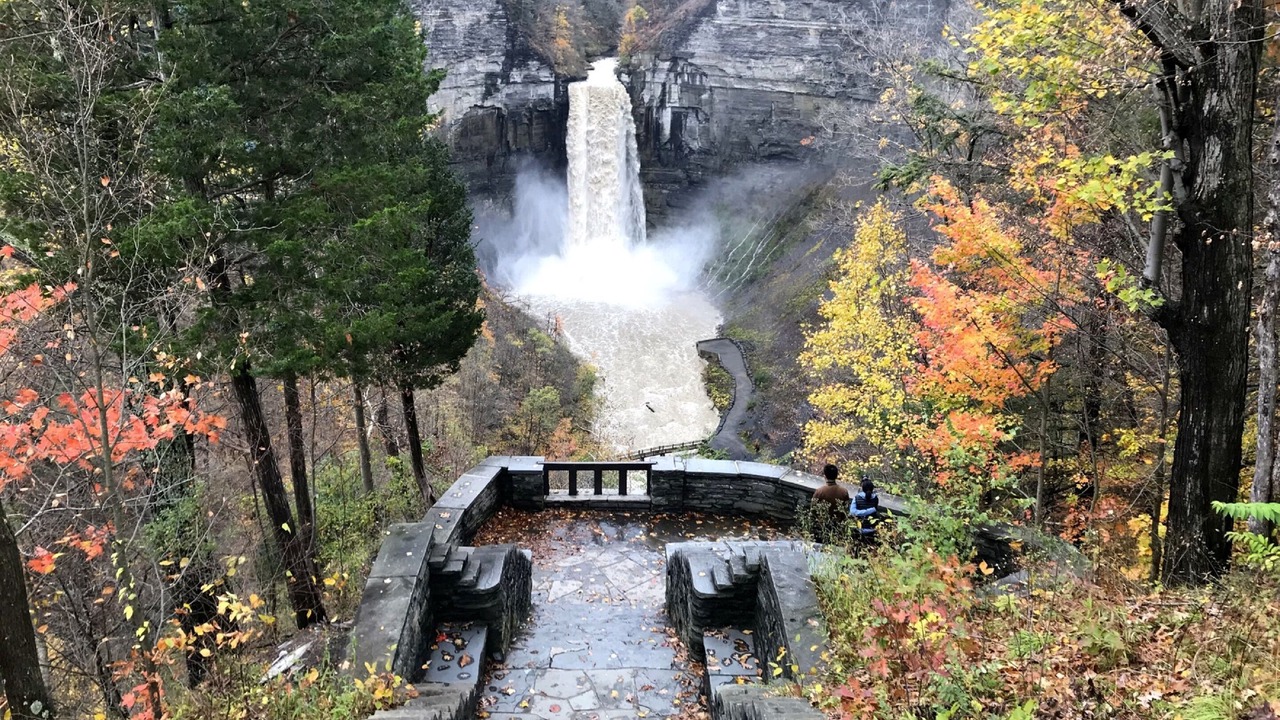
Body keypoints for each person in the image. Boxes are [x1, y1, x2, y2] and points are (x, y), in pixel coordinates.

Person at [810, 464, 850, 543]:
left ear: (825, 476)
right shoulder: (844, 492)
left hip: (821, 526)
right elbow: (845, 511)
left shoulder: (819, 492)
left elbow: (813, 510)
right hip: (837, 527)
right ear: (836, 475)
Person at [850, 476, 880, 542]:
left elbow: (852, 512)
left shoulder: (857, 498)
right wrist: (871, 510)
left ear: (862, 488)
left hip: (859, 528)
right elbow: (874, 510)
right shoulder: (875, 499)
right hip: (872, 529)